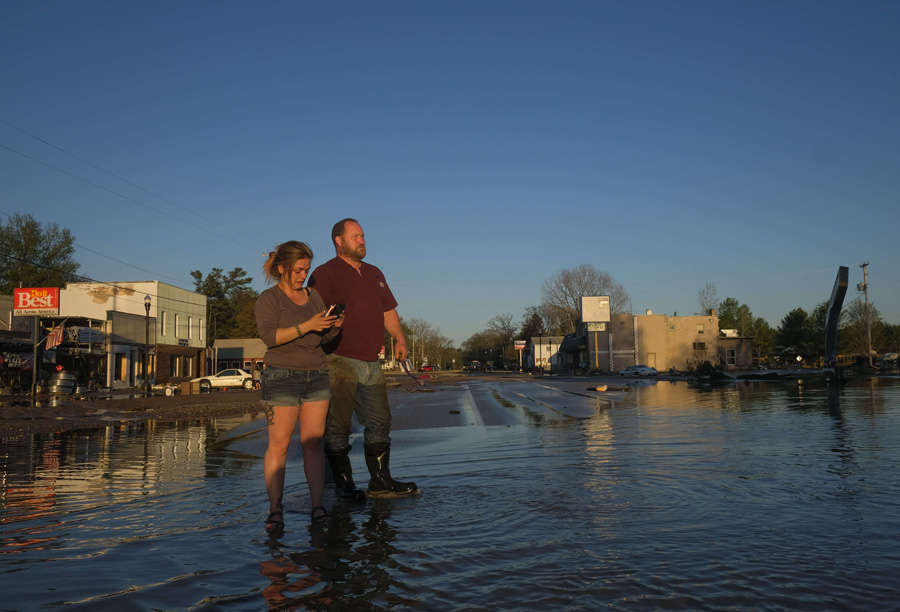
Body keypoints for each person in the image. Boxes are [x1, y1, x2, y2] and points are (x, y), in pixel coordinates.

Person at [308, 218, 418, 500]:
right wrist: (331, 326)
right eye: (356, 236)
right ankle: (343, 485)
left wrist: (400, 338)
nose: (362, 240)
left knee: (380, 420)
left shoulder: (374, 273)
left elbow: (388, 311)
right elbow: (314, 317)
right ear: (339, 241)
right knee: (338, 426)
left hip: (371, 361)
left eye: (363, 236)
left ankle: (380, 481)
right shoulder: (324, 274)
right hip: (338, 360)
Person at [254, 240, 343, 533]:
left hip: (316, 374)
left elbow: (324, 341)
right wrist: (308, 325)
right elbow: (270, 337)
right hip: (281, 376)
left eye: (306, 269)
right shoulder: (269, 299)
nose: (303, 275)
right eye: (298, 269)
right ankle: (275, 510)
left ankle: (317, 508)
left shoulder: (314, 296)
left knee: (313, 444)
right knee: (278, 446)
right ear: (282, 268)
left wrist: (333, 327)